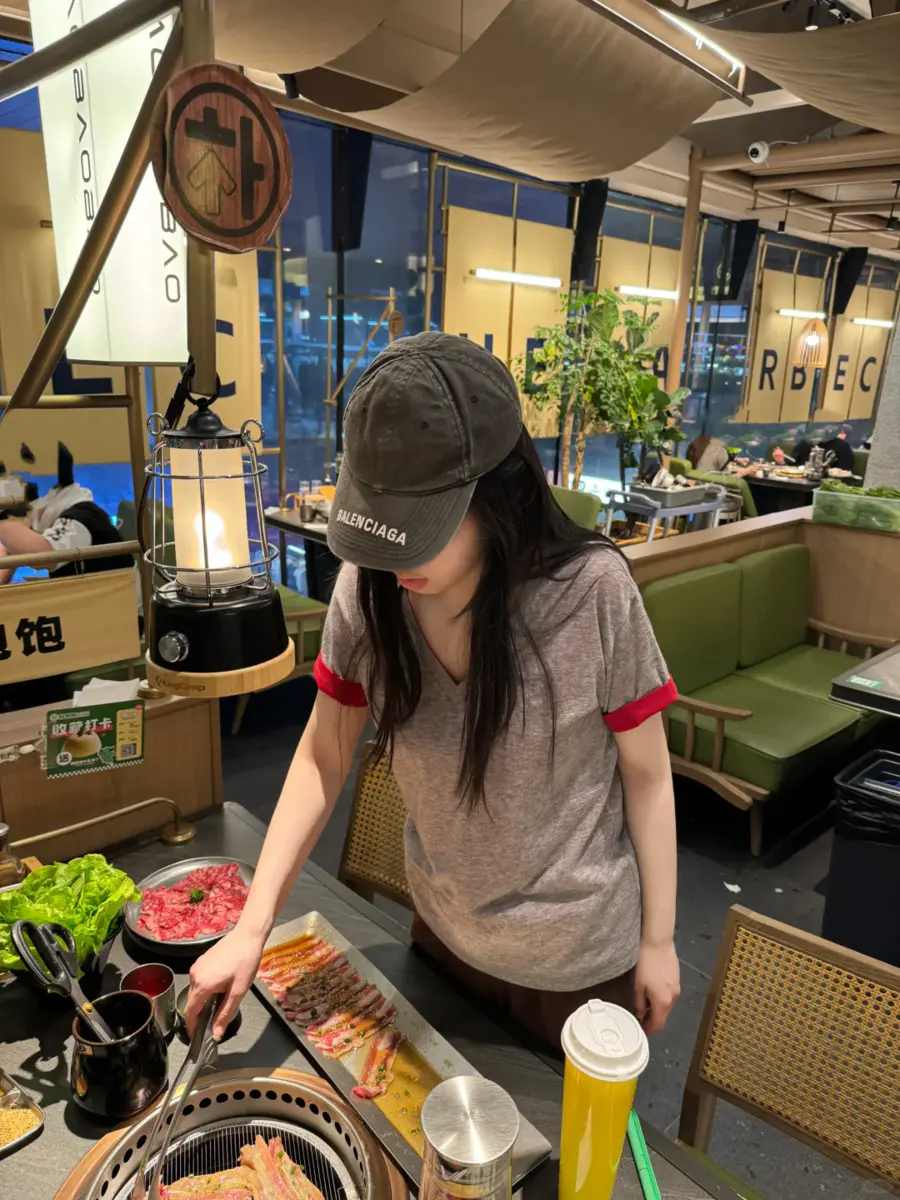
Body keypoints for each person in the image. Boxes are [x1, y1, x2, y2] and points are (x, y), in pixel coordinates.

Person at [186, 332, 681, 1046]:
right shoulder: (370, 591)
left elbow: (648, 773)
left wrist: (659, 939)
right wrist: (251, 926)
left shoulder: (591, 591)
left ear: (502, 491)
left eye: (418, 529)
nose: (395, 561)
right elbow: (323, 756)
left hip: (574, 962)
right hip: (443, 938)